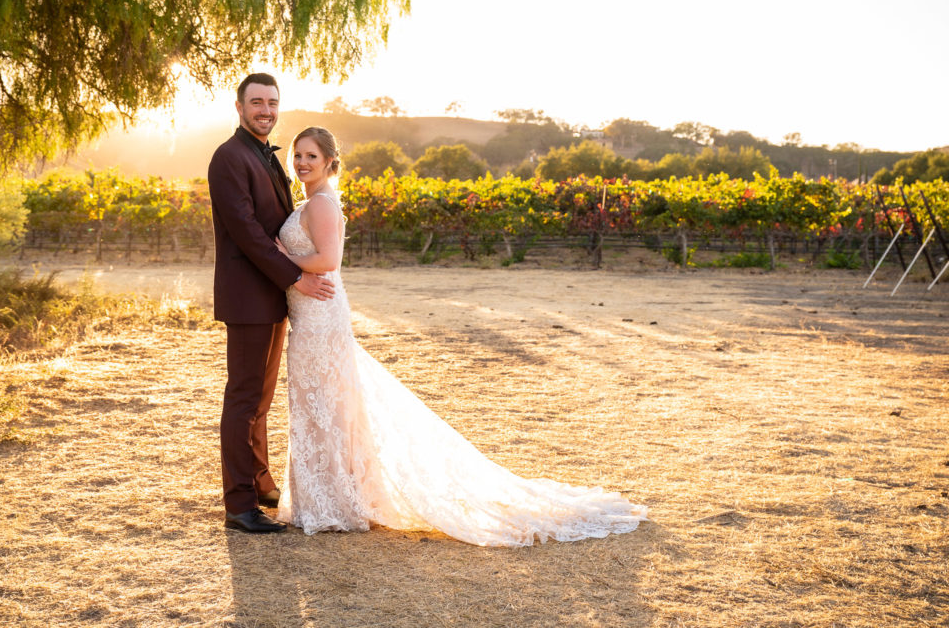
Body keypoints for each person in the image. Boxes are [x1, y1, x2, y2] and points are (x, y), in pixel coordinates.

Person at [274, 127, 648, 547]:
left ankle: (333, 504)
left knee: (327, 403)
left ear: (328, 161)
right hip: (309, 315)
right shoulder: (308, 202)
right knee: (323, 404)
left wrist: (281, 256)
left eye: (310, 155)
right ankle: (328, 499)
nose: (302, 162)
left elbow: (328, 260)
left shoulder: (322, 204)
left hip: (322, 314)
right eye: (297, 155)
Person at [207, 74, 335, 534]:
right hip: (248, 298)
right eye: (256, 102)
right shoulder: (229, 157)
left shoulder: (264, 155)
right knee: (242, 399)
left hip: (273, 299)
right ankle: (239, 505)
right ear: (239, 106)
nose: (265, 109)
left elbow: (279, 225)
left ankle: (260, 483)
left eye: (272, 102)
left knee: (259, 401)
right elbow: (248, 233)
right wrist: (297, 277)